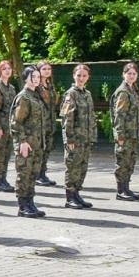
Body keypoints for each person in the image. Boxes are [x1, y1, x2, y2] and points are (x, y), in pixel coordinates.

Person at [10, 65, 49, 218]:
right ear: (26, 78)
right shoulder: (24, 97)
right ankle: (22, 206)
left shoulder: (36, 95)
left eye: (38, 77)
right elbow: (16, 122)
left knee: (33, 174)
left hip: (37, 143)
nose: (36, 79)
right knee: (24, 174)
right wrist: (22, 141)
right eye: (33, 77)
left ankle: (30, 202)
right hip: (26, 143)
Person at [61, 63, 96, 210]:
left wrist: (92, 136)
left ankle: (76, 194)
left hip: (86, 138)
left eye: (84, 76)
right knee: (73, 167)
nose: (81, 78)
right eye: (79, 75)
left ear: (88, 77)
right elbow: (66, 118)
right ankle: (70, 197)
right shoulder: (70, 94)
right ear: (74, 76)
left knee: (82, 167)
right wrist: (69, 139)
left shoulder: (87, 94)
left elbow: (91, 117)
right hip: (75, 139)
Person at [112, 61, 139, 202]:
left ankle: (126, 188)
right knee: (123, 162)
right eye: (129, 73)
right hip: (125, 135)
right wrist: (120, 135)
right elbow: (119, 115)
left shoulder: (134, 90)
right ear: (123, 74)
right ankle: (121, 190)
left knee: (130, 161)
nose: (131, 76)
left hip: (134, 134)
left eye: (134, 74)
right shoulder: (123, 92)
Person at [0, 60, 17, 192]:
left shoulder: (11, 88)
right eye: (4, 69)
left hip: (9, 127)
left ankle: (3, 178)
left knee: (6, 154)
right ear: (0, 71)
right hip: (0, 126)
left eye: (9, 68)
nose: (7, 71)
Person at [37, 61, 61, 187]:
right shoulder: (36, 86)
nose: (47, 71)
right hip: (40, 123)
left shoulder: (50, 85)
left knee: (47, 149)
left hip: (50, 122)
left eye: (49, 69)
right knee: (39, 149)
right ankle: (36, 175)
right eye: (44, 69)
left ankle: (42, 173)